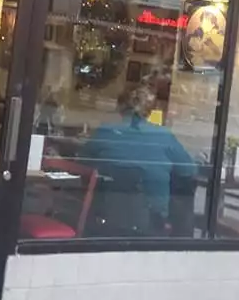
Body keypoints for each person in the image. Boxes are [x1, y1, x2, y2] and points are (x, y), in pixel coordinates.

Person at [82, 82, 197, 236]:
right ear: (151, 110)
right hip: (152, 224)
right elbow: (188, 170)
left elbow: (82, 162)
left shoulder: (105, 132)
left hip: (106, 219)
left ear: (119, 106)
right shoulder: (163, 136)